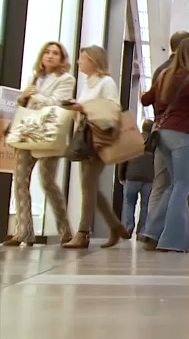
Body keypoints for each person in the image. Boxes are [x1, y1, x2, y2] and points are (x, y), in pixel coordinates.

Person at [141, 37, 189, 253]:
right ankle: (172, 240)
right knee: (182, 186)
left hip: (161, 135)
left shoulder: (164, 75)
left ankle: (151, 232)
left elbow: (145, 99)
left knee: (173, 185)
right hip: (182, 135)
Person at [3, 42, 75, 247]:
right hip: (27, 133)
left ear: (62, 59)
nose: (50, 56)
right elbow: (26, 104)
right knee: (20, 181)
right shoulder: (34, 77)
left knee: (48, 183)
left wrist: (33, 95)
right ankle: (23, 231)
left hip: (48, 135)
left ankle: (65, 231)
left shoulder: (66, 79)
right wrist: (23, 97)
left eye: (55, 53)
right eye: (47, 52)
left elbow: (58, 103)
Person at [62, 46, 129, 249]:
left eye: (83, 58)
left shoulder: (106, 82)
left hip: (99, 139)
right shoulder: (87, 83)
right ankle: (115, 226)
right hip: (86, 139)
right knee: (90, 186)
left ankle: (83, 232)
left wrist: (82, 107)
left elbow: (112, 109)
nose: (79, 62)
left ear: (94, 61)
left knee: (87, 183)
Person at [119, 119, 155, 240]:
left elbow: (123, 160)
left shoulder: (133, 140)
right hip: (148, 179)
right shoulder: (154, 143)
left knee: (129, 203)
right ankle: (142, 231)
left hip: (132, 177)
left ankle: (129, 226)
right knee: (145, 205)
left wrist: (121, 176)